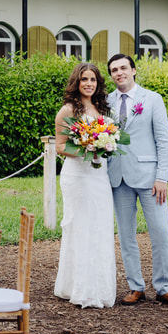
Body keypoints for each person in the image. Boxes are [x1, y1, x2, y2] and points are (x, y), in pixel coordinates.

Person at [105, 53, 168, 306]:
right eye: (114, 70)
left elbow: (163, 141)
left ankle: (163, 286)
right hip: (118, 177)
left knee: (160, 233)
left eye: (123, 68)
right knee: (126, 235)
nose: (119, 73)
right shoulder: (105, 101)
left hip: (150, 179)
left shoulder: (153, 99)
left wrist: (162, 177)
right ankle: (136, 286)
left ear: (133, 70)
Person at [53, 62, 117, 308]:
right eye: (84, 80)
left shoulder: (102, 109)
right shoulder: (67, 111)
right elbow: (59, 146)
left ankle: (99, 287)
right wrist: (85, 147)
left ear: (98, 83)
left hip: (99, 177)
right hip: (77, 176)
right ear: (76, 83)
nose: (89, 84)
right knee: (79, 226)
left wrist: (105, 144)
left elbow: (109, 139)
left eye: (92, 79)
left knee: (100, 227)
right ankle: (78, 287)